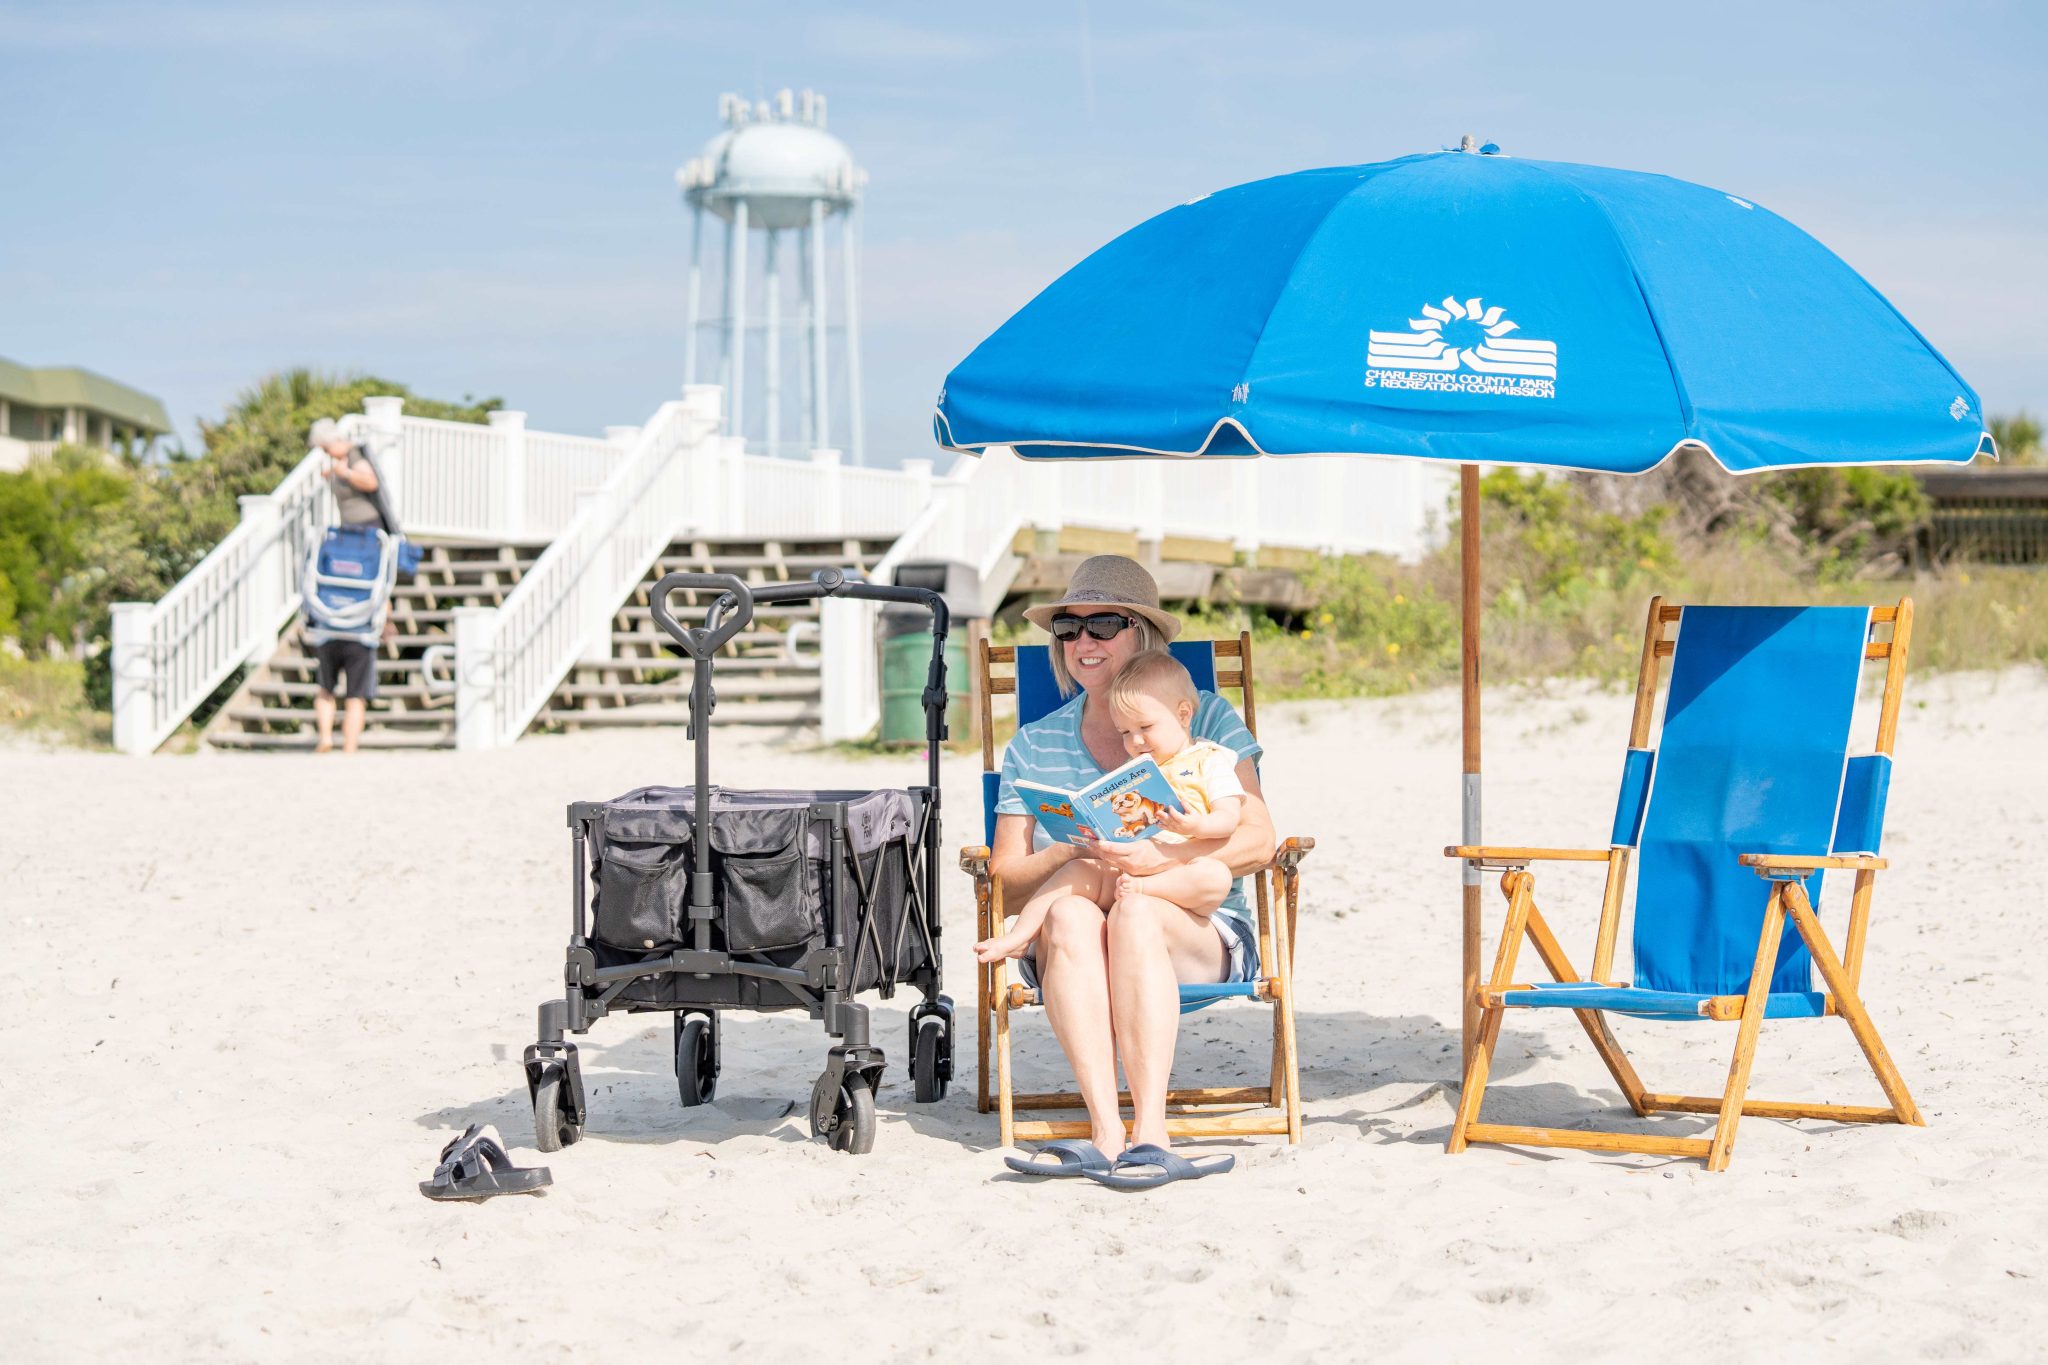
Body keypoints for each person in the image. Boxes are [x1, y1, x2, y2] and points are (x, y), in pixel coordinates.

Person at [985, 555, 1275, 1186]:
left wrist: (1157, 862)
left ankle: (1151, 1134)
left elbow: (1259, 840)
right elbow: (1003, 886)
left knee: (1137, 910)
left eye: (1104, 624)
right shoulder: (1034, 743)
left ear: (1143, 632)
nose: (1083, 641)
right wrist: (1072, 851)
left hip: (1193, 928)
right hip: (1076, 932)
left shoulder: (1206, 720)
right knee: (1069, 912)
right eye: (1068, 628)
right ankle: (1104, 1132)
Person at [973, 649, 1242, 963]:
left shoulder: (1209, 760)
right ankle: (1019, 936)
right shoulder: (1135, 769)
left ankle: (1146, 889)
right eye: (1125, 732)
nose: (1136, 741)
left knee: (1215, 876)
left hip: (1181, 875)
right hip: (1126, 875)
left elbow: (1229, 818)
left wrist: (1195, 826)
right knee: (1076, 871)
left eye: (1145, 728)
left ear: (1184, 715)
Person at [307, 417, 384, 754]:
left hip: (368, 532)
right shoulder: (340, 459)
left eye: (326, 448)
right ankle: (334, 742)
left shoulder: (354, 455)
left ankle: (343, 744)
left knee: (371, 579)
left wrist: (345, 473)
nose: (326, 453)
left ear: (335, 441)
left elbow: (371, 482)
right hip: (349, 535)